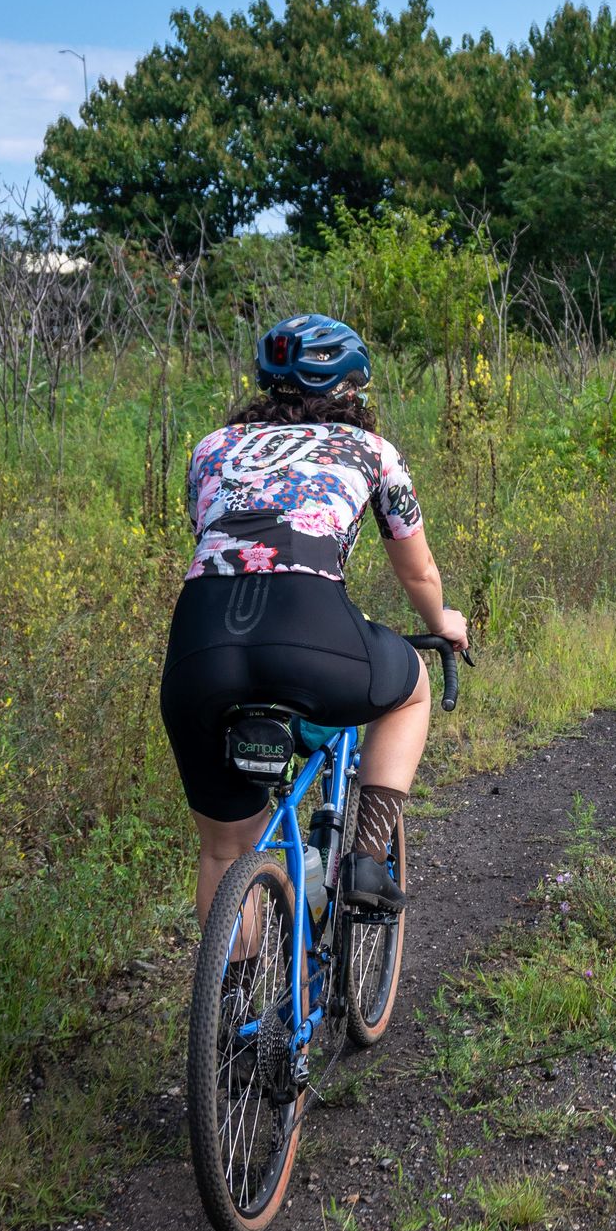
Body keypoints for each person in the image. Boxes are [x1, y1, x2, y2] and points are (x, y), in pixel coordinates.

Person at [159, 314, 467, 929]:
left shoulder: (210, 448)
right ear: (351, 391)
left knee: (224, 849)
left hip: (201, 644)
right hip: (309, 632)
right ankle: (367, 862)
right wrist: (444, 621)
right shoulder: (373, 452)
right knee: (409, 694)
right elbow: (419, 573)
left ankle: (237, 1014)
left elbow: (218, 540)